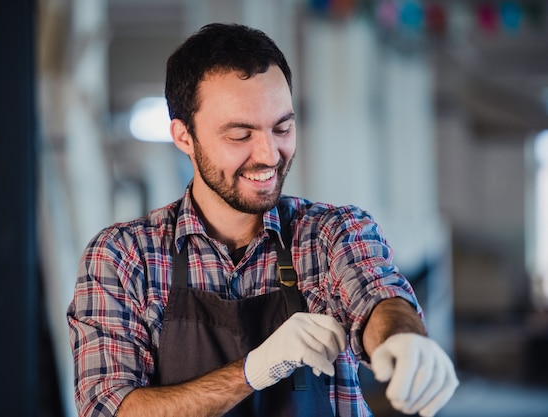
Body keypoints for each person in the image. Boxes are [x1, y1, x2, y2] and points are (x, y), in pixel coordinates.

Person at [67, 23, 459, 417]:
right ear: (184, 136)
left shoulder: (328, 234)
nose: (269, 154)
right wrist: (253, 370)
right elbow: (109, 408)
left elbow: (377, 295)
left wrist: (402, 338)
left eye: (282, 128)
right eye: (240, 135)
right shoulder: (123, 257)